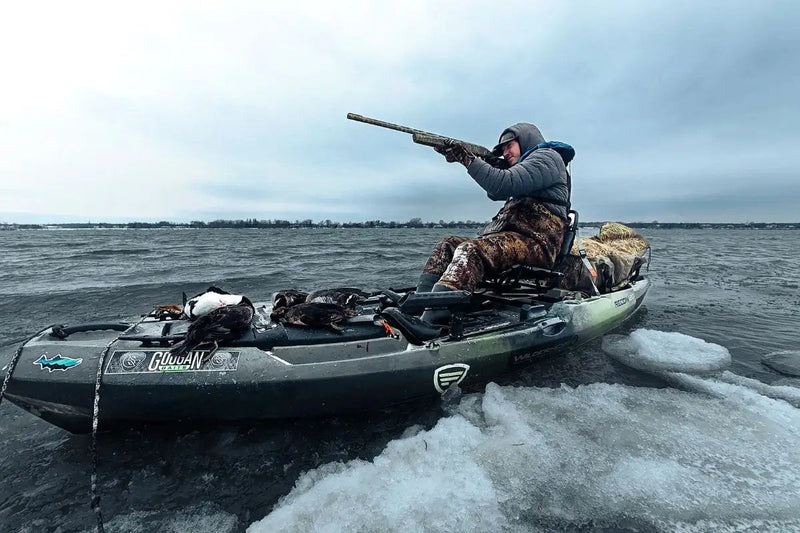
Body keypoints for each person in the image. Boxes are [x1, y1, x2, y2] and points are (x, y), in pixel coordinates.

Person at [417, 122, 572, 323]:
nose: (505, 153)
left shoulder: (547, 157)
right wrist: (486, 162)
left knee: (471, 249)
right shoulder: (523, 166)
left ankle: (435, 317)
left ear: (526, 140)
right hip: (513, 240)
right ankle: (421, 303)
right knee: (447, 245)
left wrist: (467, 158)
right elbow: (494, 192)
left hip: (537, 244)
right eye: (502, 149)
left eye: (510, 146)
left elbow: (500, 184)